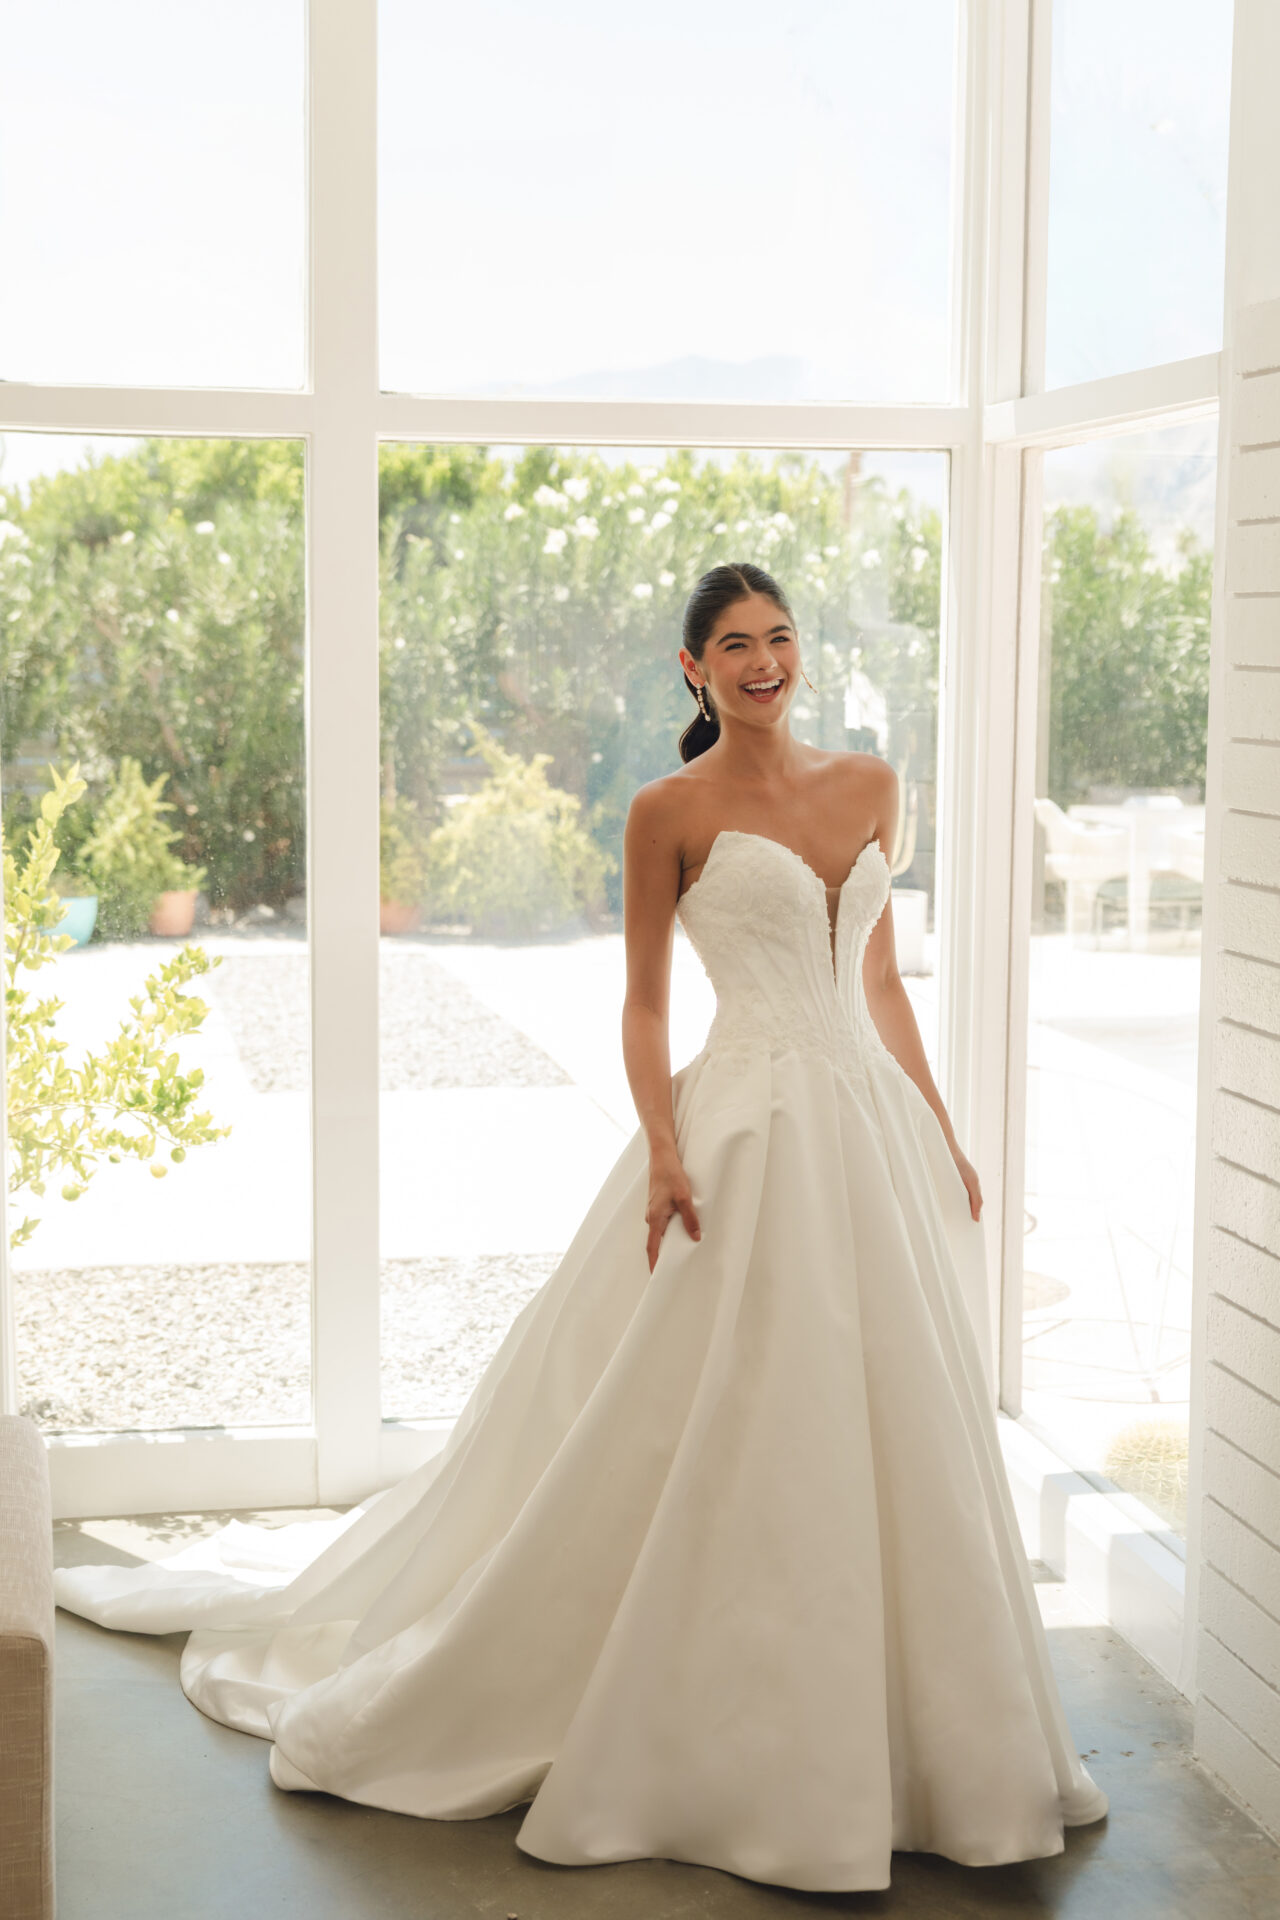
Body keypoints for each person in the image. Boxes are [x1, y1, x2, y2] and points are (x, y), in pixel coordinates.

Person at [54, 561, 1108, 1893]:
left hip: (864, 1134)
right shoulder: (669, 809)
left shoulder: (874, 787)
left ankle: (906, 1732)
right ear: (694, 669)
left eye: (780, 638)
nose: (765, 662)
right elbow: (648, 1009)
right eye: (735, 645)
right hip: (741, 1132)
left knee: (891, 1412)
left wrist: (941, 1125)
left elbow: (881, 979)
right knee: (714, 1412)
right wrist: (665, 1152)